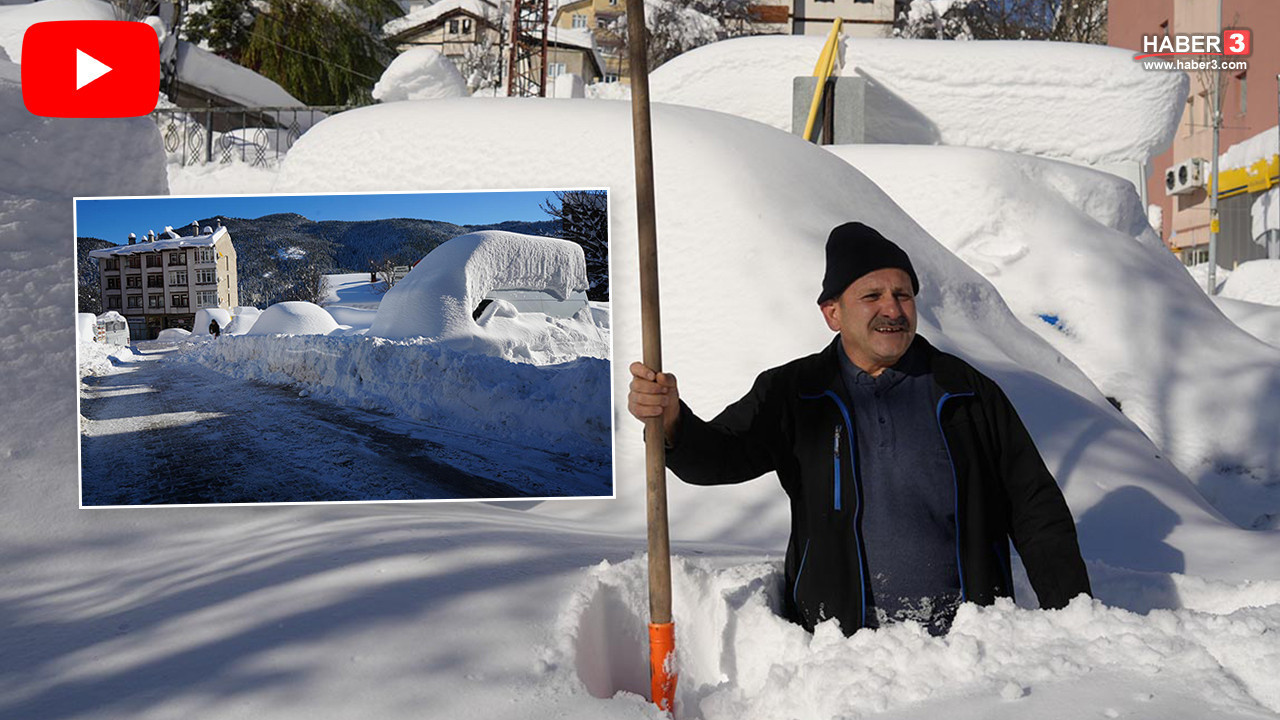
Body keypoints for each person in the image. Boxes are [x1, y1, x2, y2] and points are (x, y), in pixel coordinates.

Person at [627, 222, 1090, 636]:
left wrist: (1074, 617)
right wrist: (672, 422)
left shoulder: (964, 392)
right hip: (841, 648)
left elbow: (1035, 507)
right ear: (832, 313)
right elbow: (718, 458)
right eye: (872, 296)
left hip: (966, 644)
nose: (892, 309)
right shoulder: (796, 393)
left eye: (903, 295)